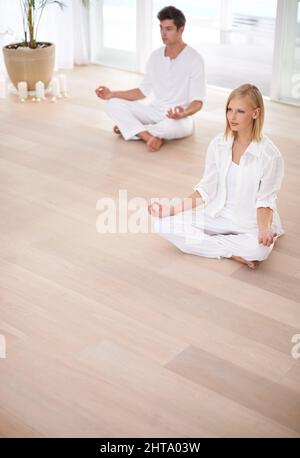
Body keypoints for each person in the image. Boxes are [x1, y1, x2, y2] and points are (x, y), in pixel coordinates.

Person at [148, 84, 284, 269]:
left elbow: (265, 200)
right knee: (162, 224)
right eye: (229, 109)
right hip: (218, 214)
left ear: (255, 113)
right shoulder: (218, 144)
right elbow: (206, 189)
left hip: (248, 222)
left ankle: (213, 244)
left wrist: (264, 229)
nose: (232, 117)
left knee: (258, 250)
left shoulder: (270, 155)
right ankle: (231, 253)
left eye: (240, 111)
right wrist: (171, 210)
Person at [95, 6, 206, 152]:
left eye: (168, 29)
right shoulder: (155, 57)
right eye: (161, 28)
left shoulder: (195, 59)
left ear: (181, 30)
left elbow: (198, 102)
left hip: (179, 118)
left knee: (175, 127)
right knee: (112, 104)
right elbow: (142, 92)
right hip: (154, 111)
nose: (163, 33)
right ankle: (147, 136)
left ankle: (131, 129)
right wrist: (112, 94)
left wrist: (183, 113)